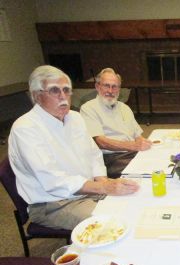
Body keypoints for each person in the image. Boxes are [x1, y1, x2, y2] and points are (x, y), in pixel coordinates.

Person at [8, 65, 139, 230]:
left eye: (67, 90)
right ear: (37, 95)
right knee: (116, 222)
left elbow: (93, 154)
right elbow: (53, 180)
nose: (63, 97)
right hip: (54, 203)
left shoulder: (75, 118)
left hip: (88, 190)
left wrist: (103, 180)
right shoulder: (25, 128)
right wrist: (103, 187)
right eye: (55, 91)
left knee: (135, 201)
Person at [80, 68, 152, 178]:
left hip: (131, 152)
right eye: (106, 86)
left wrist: (146, 145)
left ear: (119, 89)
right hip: (110, 158)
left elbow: (138, 136)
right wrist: (133, 146)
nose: (110, 90)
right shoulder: (88, 108)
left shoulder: (125, 108)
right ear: (97, 87)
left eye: (115, 86)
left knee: (158, 159)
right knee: (146, 169)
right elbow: (101, 142)